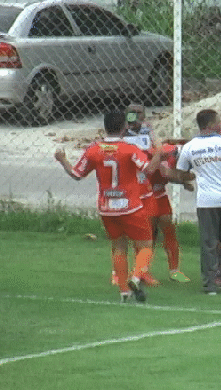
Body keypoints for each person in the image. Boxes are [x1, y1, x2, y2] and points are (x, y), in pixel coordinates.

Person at [54, 110, 167, 303]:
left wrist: (63, 159)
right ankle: (136, 276)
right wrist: (159, 155)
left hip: (106, 207)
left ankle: (124, 291)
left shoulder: (94, 149)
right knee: (146, 245)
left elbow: (77, 174)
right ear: (124, 127)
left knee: (118, 246)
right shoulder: (129, 149)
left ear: (104, 127)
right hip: (130, 206)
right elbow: (148, 170)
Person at [170, 109, 221, 295]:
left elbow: (181, 172)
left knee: (209, 242)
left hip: (208, 201)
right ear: (212, 124)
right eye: (218, 121)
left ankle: (209, 284)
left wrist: (194, 175)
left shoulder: (190, 147)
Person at [120, 104, 192, 284]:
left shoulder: (149, 132)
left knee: (168, 227)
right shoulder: (123, 135)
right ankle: (142, 272)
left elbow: (161, 155)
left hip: (158, 191)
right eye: (132, 114)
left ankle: (174, 270)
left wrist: (181, 180)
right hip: (141, 191)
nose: (135, 117)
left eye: (139, 114)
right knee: (146, 234)